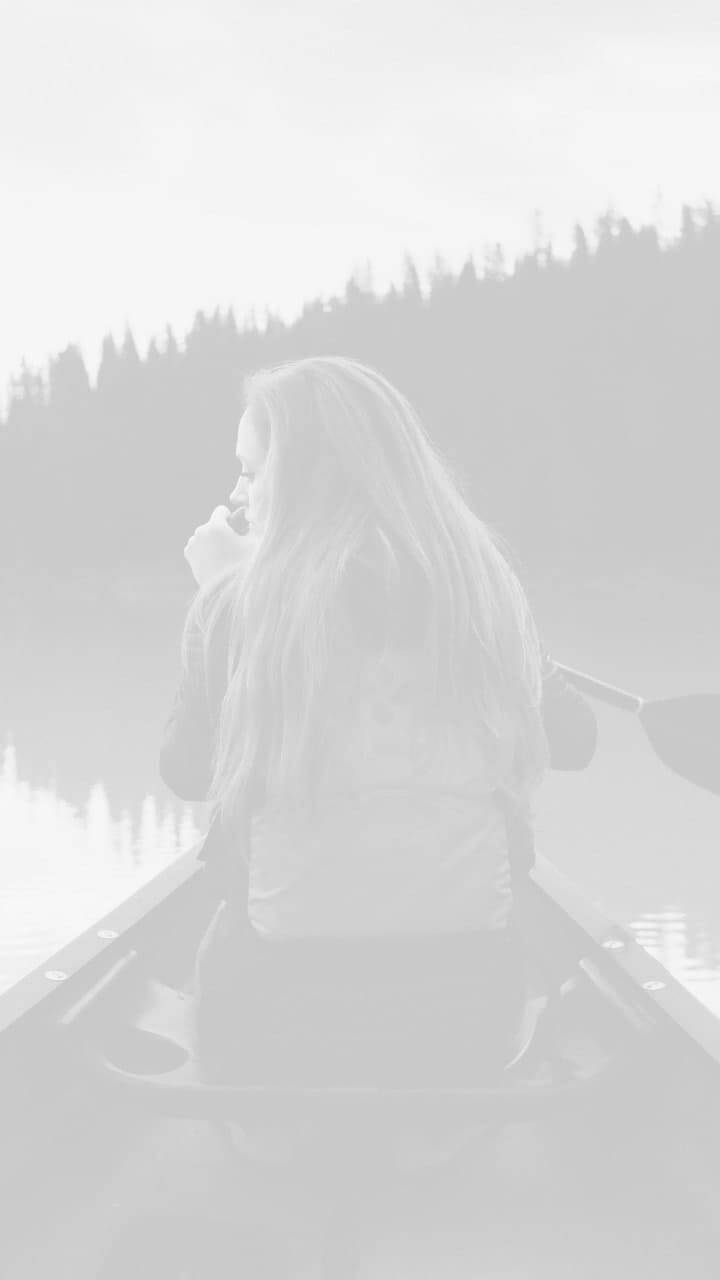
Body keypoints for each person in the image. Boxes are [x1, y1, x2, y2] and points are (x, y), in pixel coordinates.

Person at [159, 356, 597, 1088]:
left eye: (250, 472)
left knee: (220, 929)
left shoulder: (238, 606)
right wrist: (514, 639)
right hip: (470, 1007)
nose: (236, 496)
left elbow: (187, 771)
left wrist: (224, 595)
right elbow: (575, 740)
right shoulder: (484, 593)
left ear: (301, 479)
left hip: (275, 1009)